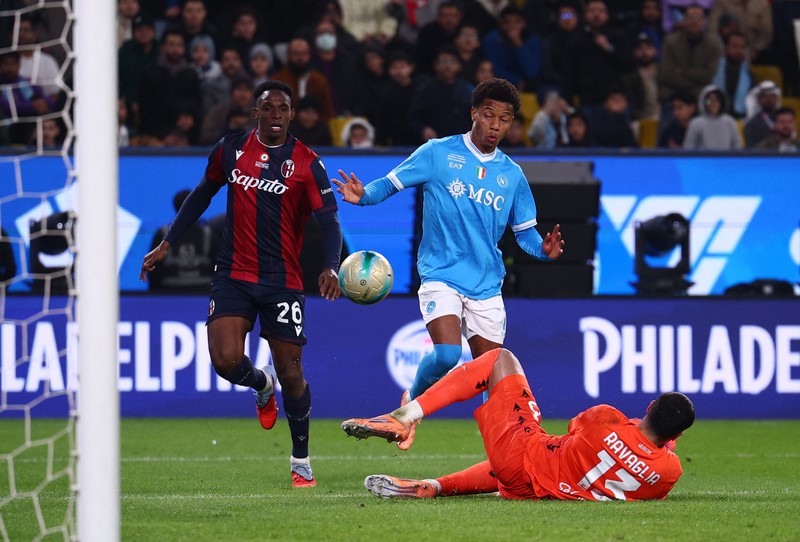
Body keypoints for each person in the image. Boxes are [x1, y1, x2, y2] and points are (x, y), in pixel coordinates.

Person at [332, 78, 564, 453]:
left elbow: (526, 236)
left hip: (487, 284)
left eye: (504, 119)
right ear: (474, 113)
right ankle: (407, 410)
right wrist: (363, 197)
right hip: (440, 273)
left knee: (493, 379)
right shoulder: (437, 153)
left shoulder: (512, 176)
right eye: (488, 115)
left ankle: (505, 460)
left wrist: (545, 250)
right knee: (446, 354)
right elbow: (389, 184)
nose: (495, 125)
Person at [139, 80, 343, 488]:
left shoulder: (307, 162)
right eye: (268, 109)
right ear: (256, 113)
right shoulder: (231, 149)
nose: (275, 116)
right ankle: (260, 383)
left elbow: (330, 219)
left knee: (292, 372)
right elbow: (202, 194)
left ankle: (300, 459)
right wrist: (168, 243)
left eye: (283, 109)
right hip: (233, 272)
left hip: (283, 280)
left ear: (290, 114)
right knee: (225, 360)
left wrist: (331, 267)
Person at [342, 347, 695, 501]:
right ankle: (433, 486)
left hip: (525, 457)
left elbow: (577, 427)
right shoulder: (669, 472)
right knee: (519, 465)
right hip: (540, 491)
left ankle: (404, 417)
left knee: (499, 359)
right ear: (676, 436)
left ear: (649, 406)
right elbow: (648, 454)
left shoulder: (607, 419)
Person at [683, 84, 742, 149]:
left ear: (721, 102)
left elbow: (737, 146)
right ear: (703, 102)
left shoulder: (730, 122)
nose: (713, 103)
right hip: (703, 159)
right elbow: (688, 148)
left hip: (725, 159)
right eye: (708, 101)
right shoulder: (696, 123)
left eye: (716, 100)